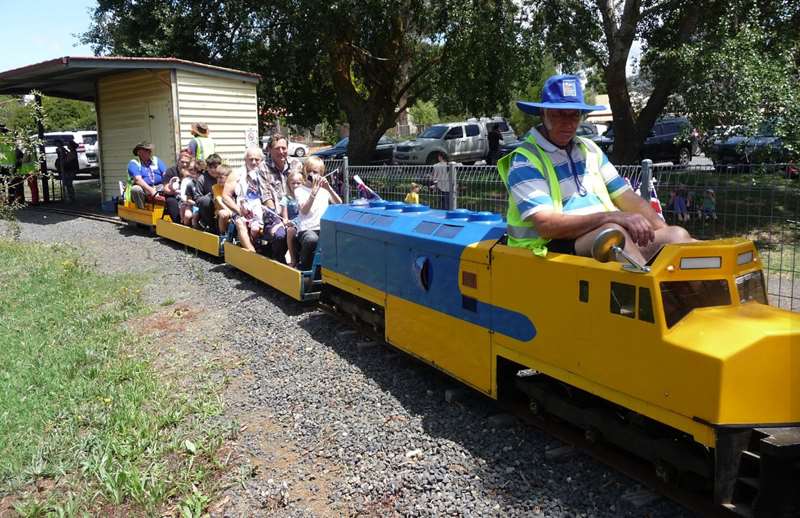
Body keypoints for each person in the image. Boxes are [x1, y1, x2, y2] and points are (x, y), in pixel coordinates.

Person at [500, 74, 692, 263]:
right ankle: (648, 288)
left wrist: (660, 230)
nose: (568, 122)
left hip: (602, 235)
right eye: (559, 113)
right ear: (544, 114)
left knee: (676, 235)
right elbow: (547, 225)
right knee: (612, 236)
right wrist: (614, 217)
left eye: (574, 114)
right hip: (547, 250)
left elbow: (626, 197)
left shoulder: (589, 149)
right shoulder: (526, 160)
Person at [221, 146, 274, 252]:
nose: (254, 162)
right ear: (245, 160)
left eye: (257, 159)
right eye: (251, 159)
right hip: (241, 210)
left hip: (262, 209)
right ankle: (252, 252)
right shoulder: (236, 174)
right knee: (240, 223)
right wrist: (239, 210)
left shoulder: (267, 174)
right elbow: (225, 196)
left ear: (261, 160)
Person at [294, 156, 342, 270]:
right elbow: (304, 211)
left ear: (321, 173)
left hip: (323, 228)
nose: (311, 174)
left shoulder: (324, 190)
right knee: (312, 240)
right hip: (307, 229)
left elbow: (339, 204)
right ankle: (304, 266)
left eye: (315, 172)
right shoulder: (299, 190)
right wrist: (313, 193)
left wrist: (328, 188)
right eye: (309, 171)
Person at [127, 141, 167, 209]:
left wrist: (168, 185)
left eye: (150, 150)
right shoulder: (134, 163)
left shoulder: (156, 160)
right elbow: (138, 180)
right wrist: (151, 190)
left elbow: (165, 174)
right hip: (143, 189)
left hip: (159, 187)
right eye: (146, 150)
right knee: (136, 189)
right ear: (139, 152)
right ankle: (142, 210)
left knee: (170, 188)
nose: (149, 152)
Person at [194, 153, 223, 231]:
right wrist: (210, 196)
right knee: (205, 201)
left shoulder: (224, 176)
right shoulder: (202, 178)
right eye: (210, 167)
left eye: (215, 167)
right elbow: (197, 198)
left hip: (222, 202)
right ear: (207, 167)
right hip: (208, 206)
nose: (213, 170)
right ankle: (211, 226)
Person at [281, 170, 303, 267]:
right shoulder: (286, 199)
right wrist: (288, 221)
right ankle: (293, 258)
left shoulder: (304, 197)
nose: (295, 185)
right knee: (290, 231)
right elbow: (285, 218)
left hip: (303, 222)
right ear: (289, 184)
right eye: (293, 183)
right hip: (292, 224)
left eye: (298, 183)